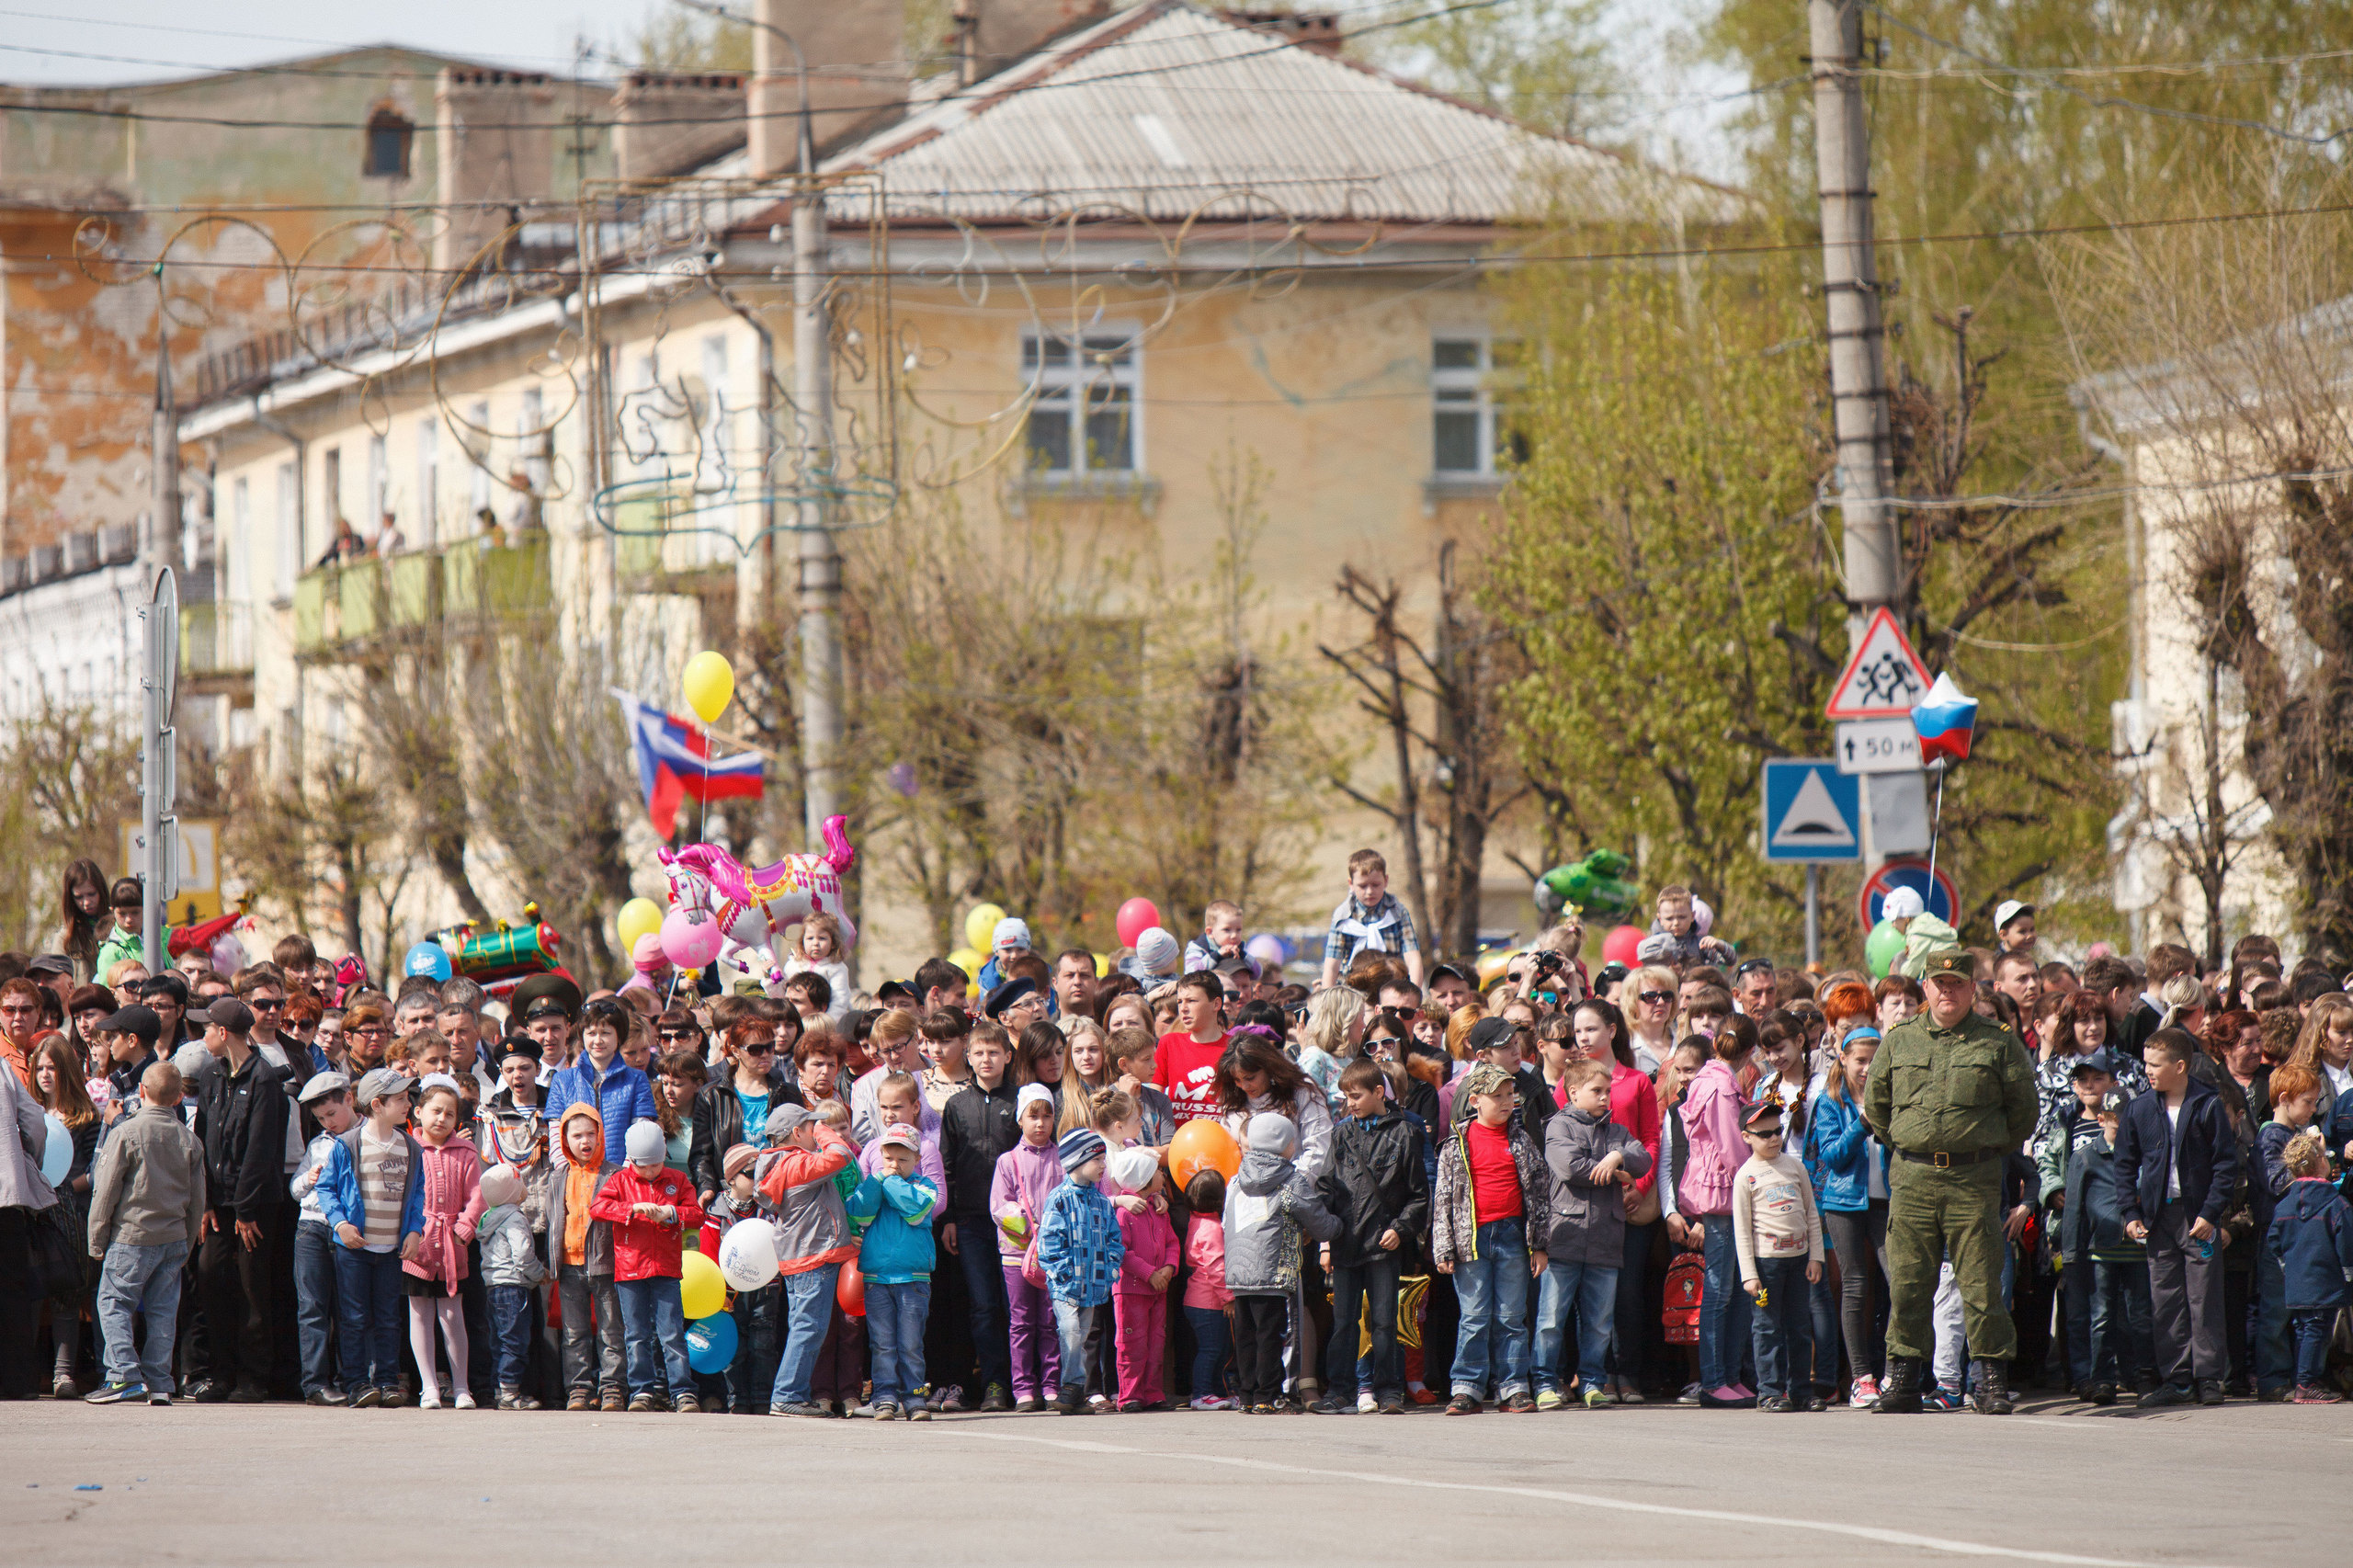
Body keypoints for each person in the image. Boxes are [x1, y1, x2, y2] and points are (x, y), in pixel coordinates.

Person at [1864, 947, 2038, 1415]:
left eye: (1957, 983)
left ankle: (1990, 1383)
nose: (1948, 991)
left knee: (1981, 1282)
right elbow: (1876, 1108)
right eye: (1939, 983)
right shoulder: (1899, 1041)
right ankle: (1902, 1382)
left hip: (1973, 1179)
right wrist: (1909, 1142)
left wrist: (1985, 1146)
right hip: (1914, 1176)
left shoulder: (1997, 1042)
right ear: (1926, 987)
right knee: (1909, 1282)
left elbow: (2024, 1111)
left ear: (1971, 988)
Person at [2115, 1028, 2239, 1407]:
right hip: (2158, 1220)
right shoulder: (2139, 1108)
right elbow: (2125, 1165)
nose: (2148, 1071)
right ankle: (2177, 1378)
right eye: (2146, 1063)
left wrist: (2210, 1213)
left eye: (2155, 1064)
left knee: (2204, 1298)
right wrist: (2130, 1213)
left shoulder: (2207, 1104)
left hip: (2196, 1220)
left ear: (2180, 1066)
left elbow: (2224, 1164)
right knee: (2165, 1299)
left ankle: (2208, 1378)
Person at [83, 1060, 206, 1405]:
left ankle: (123, 1375)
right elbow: (198, 1199)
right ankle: (160, 1382)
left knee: (113, 1303)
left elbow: (104, 1191)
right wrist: (189, 1239)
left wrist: (96, 1238)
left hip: (132, 1236)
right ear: (180, 1097)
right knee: (163, 1311)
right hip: (173, 1238)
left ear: (142, 1091)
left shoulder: (126, 1132)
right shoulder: (190, 1140)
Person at [1433, 1062, 1549, 1415]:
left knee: (1512, 1316)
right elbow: (1443, 1199)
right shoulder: (1456, 1144)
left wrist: (1540, 1244)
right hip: (1472, 1240)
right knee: (1474, 1315)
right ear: (1474, 1101)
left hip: (1513, 1236)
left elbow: (1540, 1192)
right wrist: (1444, 1246)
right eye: (1496, 1096)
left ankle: (1513, 1386)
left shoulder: (1522, 1140)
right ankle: (1466, 1387)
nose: (1506, 1102)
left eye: (1510, 1096)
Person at [189, 996, 290, 1403]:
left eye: (207, 1029)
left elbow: (261, 1152)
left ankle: (253, 1378)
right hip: (218, 1204)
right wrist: (206, 1201)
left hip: (254, 1206)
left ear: (224, 1032)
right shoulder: (212, 1075)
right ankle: (221, 1372)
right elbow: (204, 1140)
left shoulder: (265, 1080)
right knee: (212, 1280)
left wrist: (246, 1210)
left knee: (252, 1290)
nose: (203, 1036)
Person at [1315, 1057, 1427, 1414]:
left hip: (1383, 1242)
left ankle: (1389, 1390)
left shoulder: (1405, 1132)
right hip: (1346, 1243)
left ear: (1379, 1092)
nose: (1349, 1103)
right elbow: (1327, 1189)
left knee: (1384, 1322)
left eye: (1356, 1095)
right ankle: (1340, 1391)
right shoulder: (1341, 1133)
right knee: (1343, 1323)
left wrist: (1401, 1228)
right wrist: (1323, 1240)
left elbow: (1419, 1195)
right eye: (1346, 1096)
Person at [1537, 1058, 1650, 1410]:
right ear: (1573, 1093)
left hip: (1605, 1237)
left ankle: (1591, 1382)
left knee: (1599, 1322)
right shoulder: (1558, 1126)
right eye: (1596, 1091)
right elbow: (1569, 1167)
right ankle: (1544, 1382)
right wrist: (1617, 1173)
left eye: (1608, 1092)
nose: (1605, 1099)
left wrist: (1617, 1155)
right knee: (1551, 1319)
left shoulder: (1617, 1132)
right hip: (1564, 1237)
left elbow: (1643, 1158)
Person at [317, 1069, 426, 1408]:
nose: (408, 1104)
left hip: (391, 1250)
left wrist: (414, 1229)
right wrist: (340, 1224)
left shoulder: (411, 1147)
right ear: (377, 1105)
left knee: (389, 1319)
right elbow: (326, 1188)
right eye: (400, 1099)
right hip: (354, 1249)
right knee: (353, 1318)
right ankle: (357, 1383)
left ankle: (387, 1381)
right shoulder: (349, 1144)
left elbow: (419, 1193)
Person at [1224, 1110, 1339, 1415]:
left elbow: (1227, 1222)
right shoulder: (1289, 1180)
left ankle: (1247, 1396)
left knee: (1247, 1335)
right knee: (1271, 1335)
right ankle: (1269, 1395)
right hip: (1272, 1270)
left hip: (1238, 1271)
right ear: (1283, 1144)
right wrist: (1339, 1227)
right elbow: (1320, 1223)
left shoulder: (1236, 1180)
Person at [591, 1119, 705, 1412]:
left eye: (656, 1165)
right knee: (636, 1332)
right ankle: (642, 1390)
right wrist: (632, 1209)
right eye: (644, 1167)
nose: (651, 1172)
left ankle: (681, 1390)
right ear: (632, 1161)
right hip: (630, 1269)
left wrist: (671, 1212)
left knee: (671, 1332)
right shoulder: (619, 1180)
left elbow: (695, 1214)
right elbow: (598, 1208)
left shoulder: (677, 1180)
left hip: (666, 1268)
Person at [756, 1102, 858, 1417]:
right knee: (809, 1328)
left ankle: (794, 1393)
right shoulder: (795, 1163)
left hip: (800, 1257)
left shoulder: (778, 1163)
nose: (817, 1131)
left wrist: (815, 1126)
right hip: (813, 1256)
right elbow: (841, 1155)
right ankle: (787, 1395)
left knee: (805, 1326)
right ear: (797, 1133)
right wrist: (825, 1131)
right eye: (811, 1127)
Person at [939, 1018, 1019, 1412]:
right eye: (978, 1052)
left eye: (993, 1052)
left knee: (1014, 1306)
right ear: (968, 1058)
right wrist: (951, 1217)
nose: (986, 1059)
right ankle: (993, 1385)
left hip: (1016, 1224)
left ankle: (1020, 1382)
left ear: (1007, 1055)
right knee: (984, 1306)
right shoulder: (956, 1105)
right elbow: (948, 1166)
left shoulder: (1021, 1101)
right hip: (970, 1222)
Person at [1805, 1025, 1883, 1405]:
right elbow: (1832, 1156)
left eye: (1874, 1060)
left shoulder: (1891, 1095)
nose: (1868, 1068)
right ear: (1843, 1059)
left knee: (1899, 1282)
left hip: (1886, 1201)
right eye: (1861, 1060)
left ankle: (1901, 1372)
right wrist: (1862, 1124)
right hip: (1843, 1202)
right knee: (1854, 1285)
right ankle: (1861, 1377)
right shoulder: (1830, 1100)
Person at [1732, 1098, 1824, 1413]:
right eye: (1764, 1133)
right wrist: (1749, 1274)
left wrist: (1816, 1256)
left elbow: (1811, 1213)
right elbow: (1742, 1230)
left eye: (1778, 1131)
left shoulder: (1795, 1166)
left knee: (1799, 1326)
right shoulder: (1746, 1176)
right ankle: (1770, 1392)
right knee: (1767, 1328)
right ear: (1747, 1136)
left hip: (1799, 1261)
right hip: (1766, 1264)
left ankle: (1800, 1390)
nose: (1773, 1138)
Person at [1678, 1018, 1753, 1406]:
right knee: (1721, 1290)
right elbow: (1731, 1146)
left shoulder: (1710, 1077)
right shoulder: (1721, 1085)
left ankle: (1730, 1375)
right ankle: (1714, 1380)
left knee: (1740, 1289)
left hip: (1724, 1192)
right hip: (1724, 1194)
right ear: (1750, 1052)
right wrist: (1758, 1180)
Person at [847, 1122, 938, 1420]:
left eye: (903, 1159)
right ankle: (884, 1397)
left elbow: (916, 1212)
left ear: (917, 1160)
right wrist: (876, 1182)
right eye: (889, 1159)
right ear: (880, 1158)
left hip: (914, 1280)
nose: (895, 1166)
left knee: (911, 1343)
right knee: (882, 1343)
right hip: (877, 1279)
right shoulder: (874, 1184)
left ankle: (915, 1399)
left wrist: (888, 1182)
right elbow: (859, 1211)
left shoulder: (925, 1186)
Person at [402, 1078, 483, 1409]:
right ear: (419, 1111)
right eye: (436, 1111)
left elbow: (478, 1195)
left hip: (453, 1245)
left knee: (452, 1315)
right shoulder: (406, 1147)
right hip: (417, 1244)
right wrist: (410, 1231)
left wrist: (465, 1226)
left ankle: (462, 1386)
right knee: (419, 1314)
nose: (441, 1119)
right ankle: (429, 1386)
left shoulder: (466, 1152)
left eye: (450, 1114)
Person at [1037, 1125, 1124, 1415]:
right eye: (1097, 1159)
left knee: (1083, 1338)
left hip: (1094, 1285)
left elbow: (1114, 1238)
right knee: (1071, 1331)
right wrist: (1063, 1275)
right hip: (1065, 1286)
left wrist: (1110, 1269)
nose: (1103, 1165)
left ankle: (1074, 1394)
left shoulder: (1101, 1201)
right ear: (1077, 1161)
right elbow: (1049, 1240)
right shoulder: (1059, 1198)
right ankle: (1071, 1388)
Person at [990, 1084, 1064, 1411]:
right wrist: (1024, 1221)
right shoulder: (1008, 1161)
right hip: (1016, 1253)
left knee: (1051, 1320)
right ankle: (1023, 1388)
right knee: (1021, 1321)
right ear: (1020, 1119)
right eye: (1033, 1116)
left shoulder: (1063, 1158)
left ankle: (1051, 1384)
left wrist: (1054, 1230)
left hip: (1055, 1253)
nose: (1040, 1123)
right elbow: (998, 1205)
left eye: (1047, 1116)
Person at [545, 1103, 623, 1412]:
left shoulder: (615, 1174)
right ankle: (578, 1389)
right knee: (574, 1334)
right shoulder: (558, 1175)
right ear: (565, 1140)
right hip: (569, 1267)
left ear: (601, 1135)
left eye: (591, 1133)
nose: (585, 1141)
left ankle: (613, 1389)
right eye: (577, 1135)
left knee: (611, 1331)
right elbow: (552, 1219)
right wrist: (552, 1263)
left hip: (605, 1265)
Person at [2264, 1131, 2353, 1403]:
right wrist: (2348, 1272)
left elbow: (2274, 1240)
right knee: (2317, 1329)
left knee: (2304, 1328)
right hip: (2325, 1279)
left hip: (2296, 1280)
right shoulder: (2336, 1203)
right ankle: (2306, 1382)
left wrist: (2285, 1264)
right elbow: (2346, 1242)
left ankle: (2303, 1378)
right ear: (2320, 1164)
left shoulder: (2284, 1205)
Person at [286, 1070, 357, 1405]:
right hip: (312, 1227)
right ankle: (316, 1383)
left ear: (350, 1100)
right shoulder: (318, 1144)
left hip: (349, 1230)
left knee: (349, 1308)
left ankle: (351, 1379)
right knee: (313, 1307)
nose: (327, 1123)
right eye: (319, 1118)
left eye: (331, 1114)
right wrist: (309, 1179)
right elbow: (295, 1190)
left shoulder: (365, 1138)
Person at [544, 996, 657, 1168]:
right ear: (582, 1037)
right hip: (576, 1180)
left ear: (619, 1037)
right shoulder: (562, 1081)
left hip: (622, 1178)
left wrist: (623, 1177)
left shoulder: (636, 1080)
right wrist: (570, 1174)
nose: (597, 1041)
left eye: (605, 1033)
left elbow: (641, 1133)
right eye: (591, 1033)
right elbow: (556, 1137)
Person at [1108, 1145, 1176, 1412]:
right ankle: (1130, 1395)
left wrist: (1169, 1269)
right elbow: (1121, 1252)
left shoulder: (1159, 1209)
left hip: (1158, 1290)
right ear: (1146, 1180)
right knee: (1131, 1344)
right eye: (1159, 1171)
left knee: (1156, 1342)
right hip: (1132, 1290)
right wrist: (1150, 1274)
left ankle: (1152, 1392)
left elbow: (1172, 1242)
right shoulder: (1125, 1213)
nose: (1162, 1174)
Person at [475, 1162, 549, 1410]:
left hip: (493, 1286)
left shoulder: (489, 1218)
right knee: (515, 1341)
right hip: (514, 1288)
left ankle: (500, 1390)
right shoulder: (515, 1218)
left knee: (499, 1341)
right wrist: (540, 1274)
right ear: (514, 1192)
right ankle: (510, 1392)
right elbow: (523, 1254)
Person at [1320, 848, 1423, 990]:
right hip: (1353, 986)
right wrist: (1328, 1000)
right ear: (1351, 884)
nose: (1369, 891)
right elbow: (1332, 965)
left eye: (1375, 885)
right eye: (1362, 886)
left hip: (1391, 985)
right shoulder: (1342, 916)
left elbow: (1413, 958)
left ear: (1386, 881)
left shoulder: (1398, 913)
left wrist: (1413, 992)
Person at [1182, 1166, 1236, 1408]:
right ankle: (1201, 1394)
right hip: (1209, 1302)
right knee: (1212, 1349)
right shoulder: (1212, 1228)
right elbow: (1216, 1267)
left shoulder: (1196, 1221)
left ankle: (1216, 1391)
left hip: (1198, 1300)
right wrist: (1228, 1298)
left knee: (1215, 1348)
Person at [1156, 972, 1231, 1125]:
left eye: (1191, 1001)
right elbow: (1154, 1098)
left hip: (1220, 1142)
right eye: (1179, 1001)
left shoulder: (1235, 1048)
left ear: (1216, 1004)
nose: (1183, 1008)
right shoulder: (1168, 1043)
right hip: (1174, 1143)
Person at [783, 913, 853, 1024]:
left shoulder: (836, 968)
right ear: (802, 941)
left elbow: (839, 1001)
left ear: (833, 943)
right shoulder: (793, 965)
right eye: (810, 938)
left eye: (822, 938)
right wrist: (770, 979)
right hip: (794, 1021)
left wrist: (827, 1024)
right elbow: (782, 994)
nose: (815, 943)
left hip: (822, 1022)